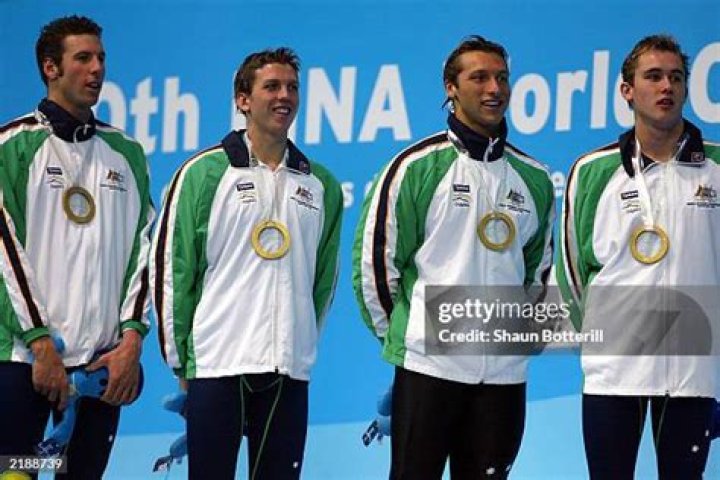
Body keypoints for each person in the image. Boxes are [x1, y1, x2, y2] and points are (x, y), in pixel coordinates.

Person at [352, 35, 555, 479]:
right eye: (479, 77)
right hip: (429, 366)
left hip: (503, 375)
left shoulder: (535, 178)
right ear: (451, 87)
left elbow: (538, 276)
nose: (494, 89)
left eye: (502, 78)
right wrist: (410, 340)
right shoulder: (415, 167)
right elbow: (376, 266)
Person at [149, 47, 343, 480]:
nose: (284, 96)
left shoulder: (321, 185)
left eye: (292, 87)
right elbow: (173, 272)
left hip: (287, 369)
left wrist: (300, 343)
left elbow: (322, 282)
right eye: (271, 86)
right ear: (243, 100)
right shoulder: (202, 174)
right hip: (219, 362)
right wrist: (182, 362)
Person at [556, 34, 720, 479]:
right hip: (614, 368)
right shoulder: (592, 171)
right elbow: (571, 272)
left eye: (676, 78)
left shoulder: (716, 167)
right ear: (628, 90)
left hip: (692, 370)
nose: (666, 86)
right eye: (653, 77)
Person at [0, 15, 153, 478]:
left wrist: (131, 340)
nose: (97, 69)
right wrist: (39, 343)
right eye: (83, 58)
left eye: (101, 58)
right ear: (51, 68)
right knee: (15, 471)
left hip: (100, 366)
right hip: (25, 363)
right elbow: (4, 254)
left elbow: (144, 253)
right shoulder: (12, 146)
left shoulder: (126, 153)